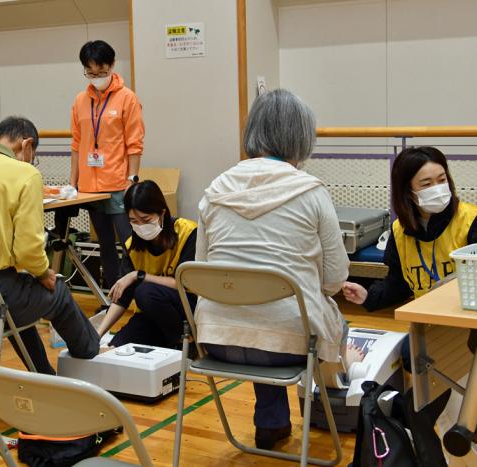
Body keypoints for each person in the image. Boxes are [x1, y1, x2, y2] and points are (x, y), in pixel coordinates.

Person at [196, 89, 349, 450]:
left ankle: (272, 423)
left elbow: (202, 271)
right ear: (301, 137)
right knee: (317, 321)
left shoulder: (214, 191)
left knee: (256, 318)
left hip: (216, 338)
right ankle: (335, 416)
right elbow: (335, 279)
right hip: (290, 344)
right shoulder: (311, 192)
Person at [0, 116, 99, 375]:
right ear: (27, 145)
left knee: (16, 299)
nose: (32, 161)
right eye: (34, 155)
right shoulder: (26, 174)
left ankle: (45, 376)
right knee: (58, 293)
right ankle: (92, 355)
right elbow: (28, 251)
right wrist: (45, 274)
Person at [343, 146, 477, 309]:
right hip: (426, 318)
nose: (437, 189)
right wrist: (368, 296)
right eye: (426, 184)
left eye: (442, 180)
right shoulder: (399, 230)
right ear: (408, 191)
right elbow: (399, 283)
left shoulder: (470, 219)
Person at [69, 39, 145, 289]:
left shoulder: (127, 98)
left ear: (112, 65)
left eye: (101, 72)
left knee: (128, 240)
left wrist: (131, 179)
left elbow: (135, 142)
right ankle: (110, 293)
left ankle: (135, 291)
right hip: (90, 187)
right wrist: (73, 183)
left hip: (118, 183)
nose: (96, 77)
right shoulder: (80, 100)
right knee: (103, 242)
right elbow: (77, 144)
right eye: (90, 73)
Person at [96, 180, 197, 348]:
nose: (140, 226)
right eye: (134, 221)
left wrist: (139, 275)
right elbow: (122, 298)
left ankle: (186, 341)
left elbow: (186, 283)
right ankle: (170, 344)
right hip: (152, 315)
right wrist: (98, 334)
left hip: (186, 310)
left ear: (162, 213)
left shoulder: (188, 231)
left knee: (144, 290)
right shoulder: (132, 245)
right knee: (117, 347)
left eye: (145, 219)